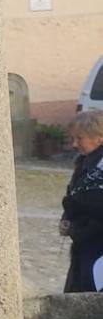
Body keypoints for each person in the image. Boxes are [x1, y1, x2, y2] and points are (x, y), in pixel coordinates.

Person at [61, 109, 103, 293]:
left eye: (80, 138)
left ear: (99, 138)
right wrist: (66, 219)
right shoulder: (84, 162)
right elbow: (74, 194)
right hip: (83, 242)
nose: (74, 144)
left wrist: (77, 229)